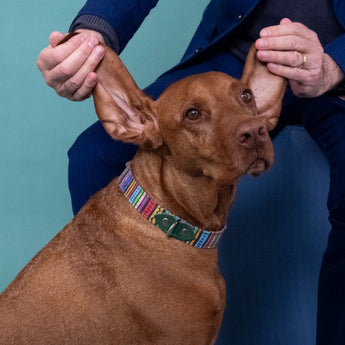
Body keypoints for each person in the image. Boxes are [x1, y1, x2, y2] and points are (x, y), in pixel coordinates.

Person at [37, 1, 345, 344]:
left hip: (338, 65)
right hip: (239, 54)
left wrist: (336, 65)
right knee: (93, 154)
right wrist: (91, 38)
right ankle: (120, 316)